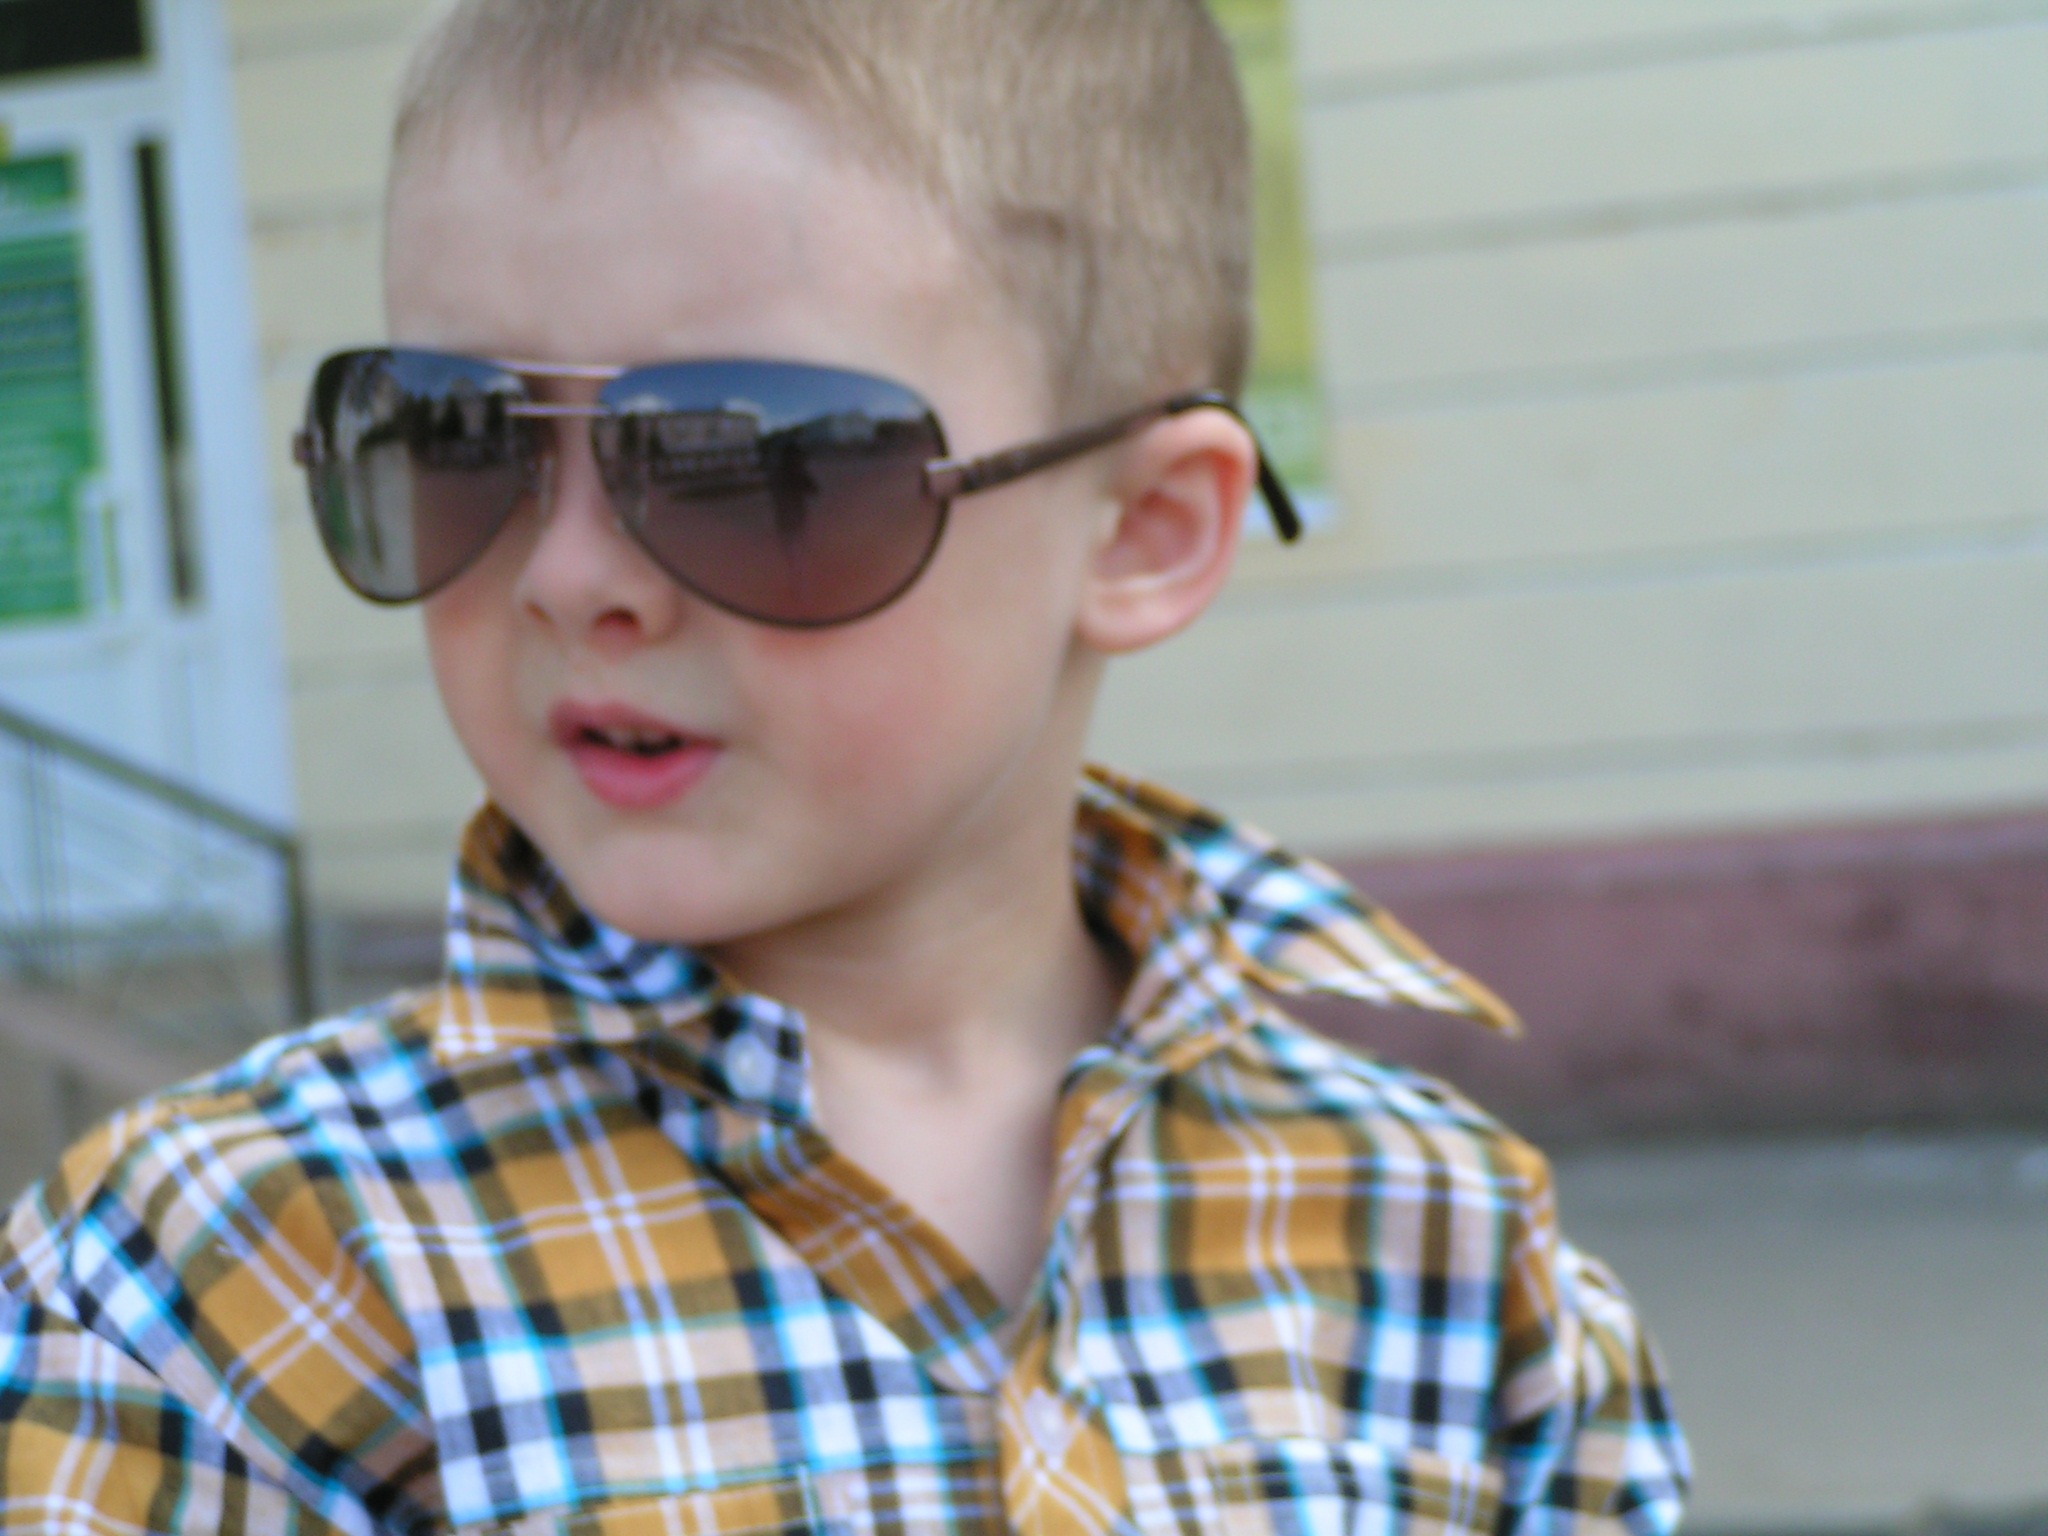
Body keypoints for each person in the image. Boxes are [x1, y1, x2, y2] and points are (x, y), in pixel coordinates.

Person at [0, 2, 1690, 1530]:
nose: (567, 576)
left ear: (1146, 530)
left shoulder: (1453, 1249)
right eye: (453, 438)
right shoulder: (215, 1275)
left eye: (746, 459)